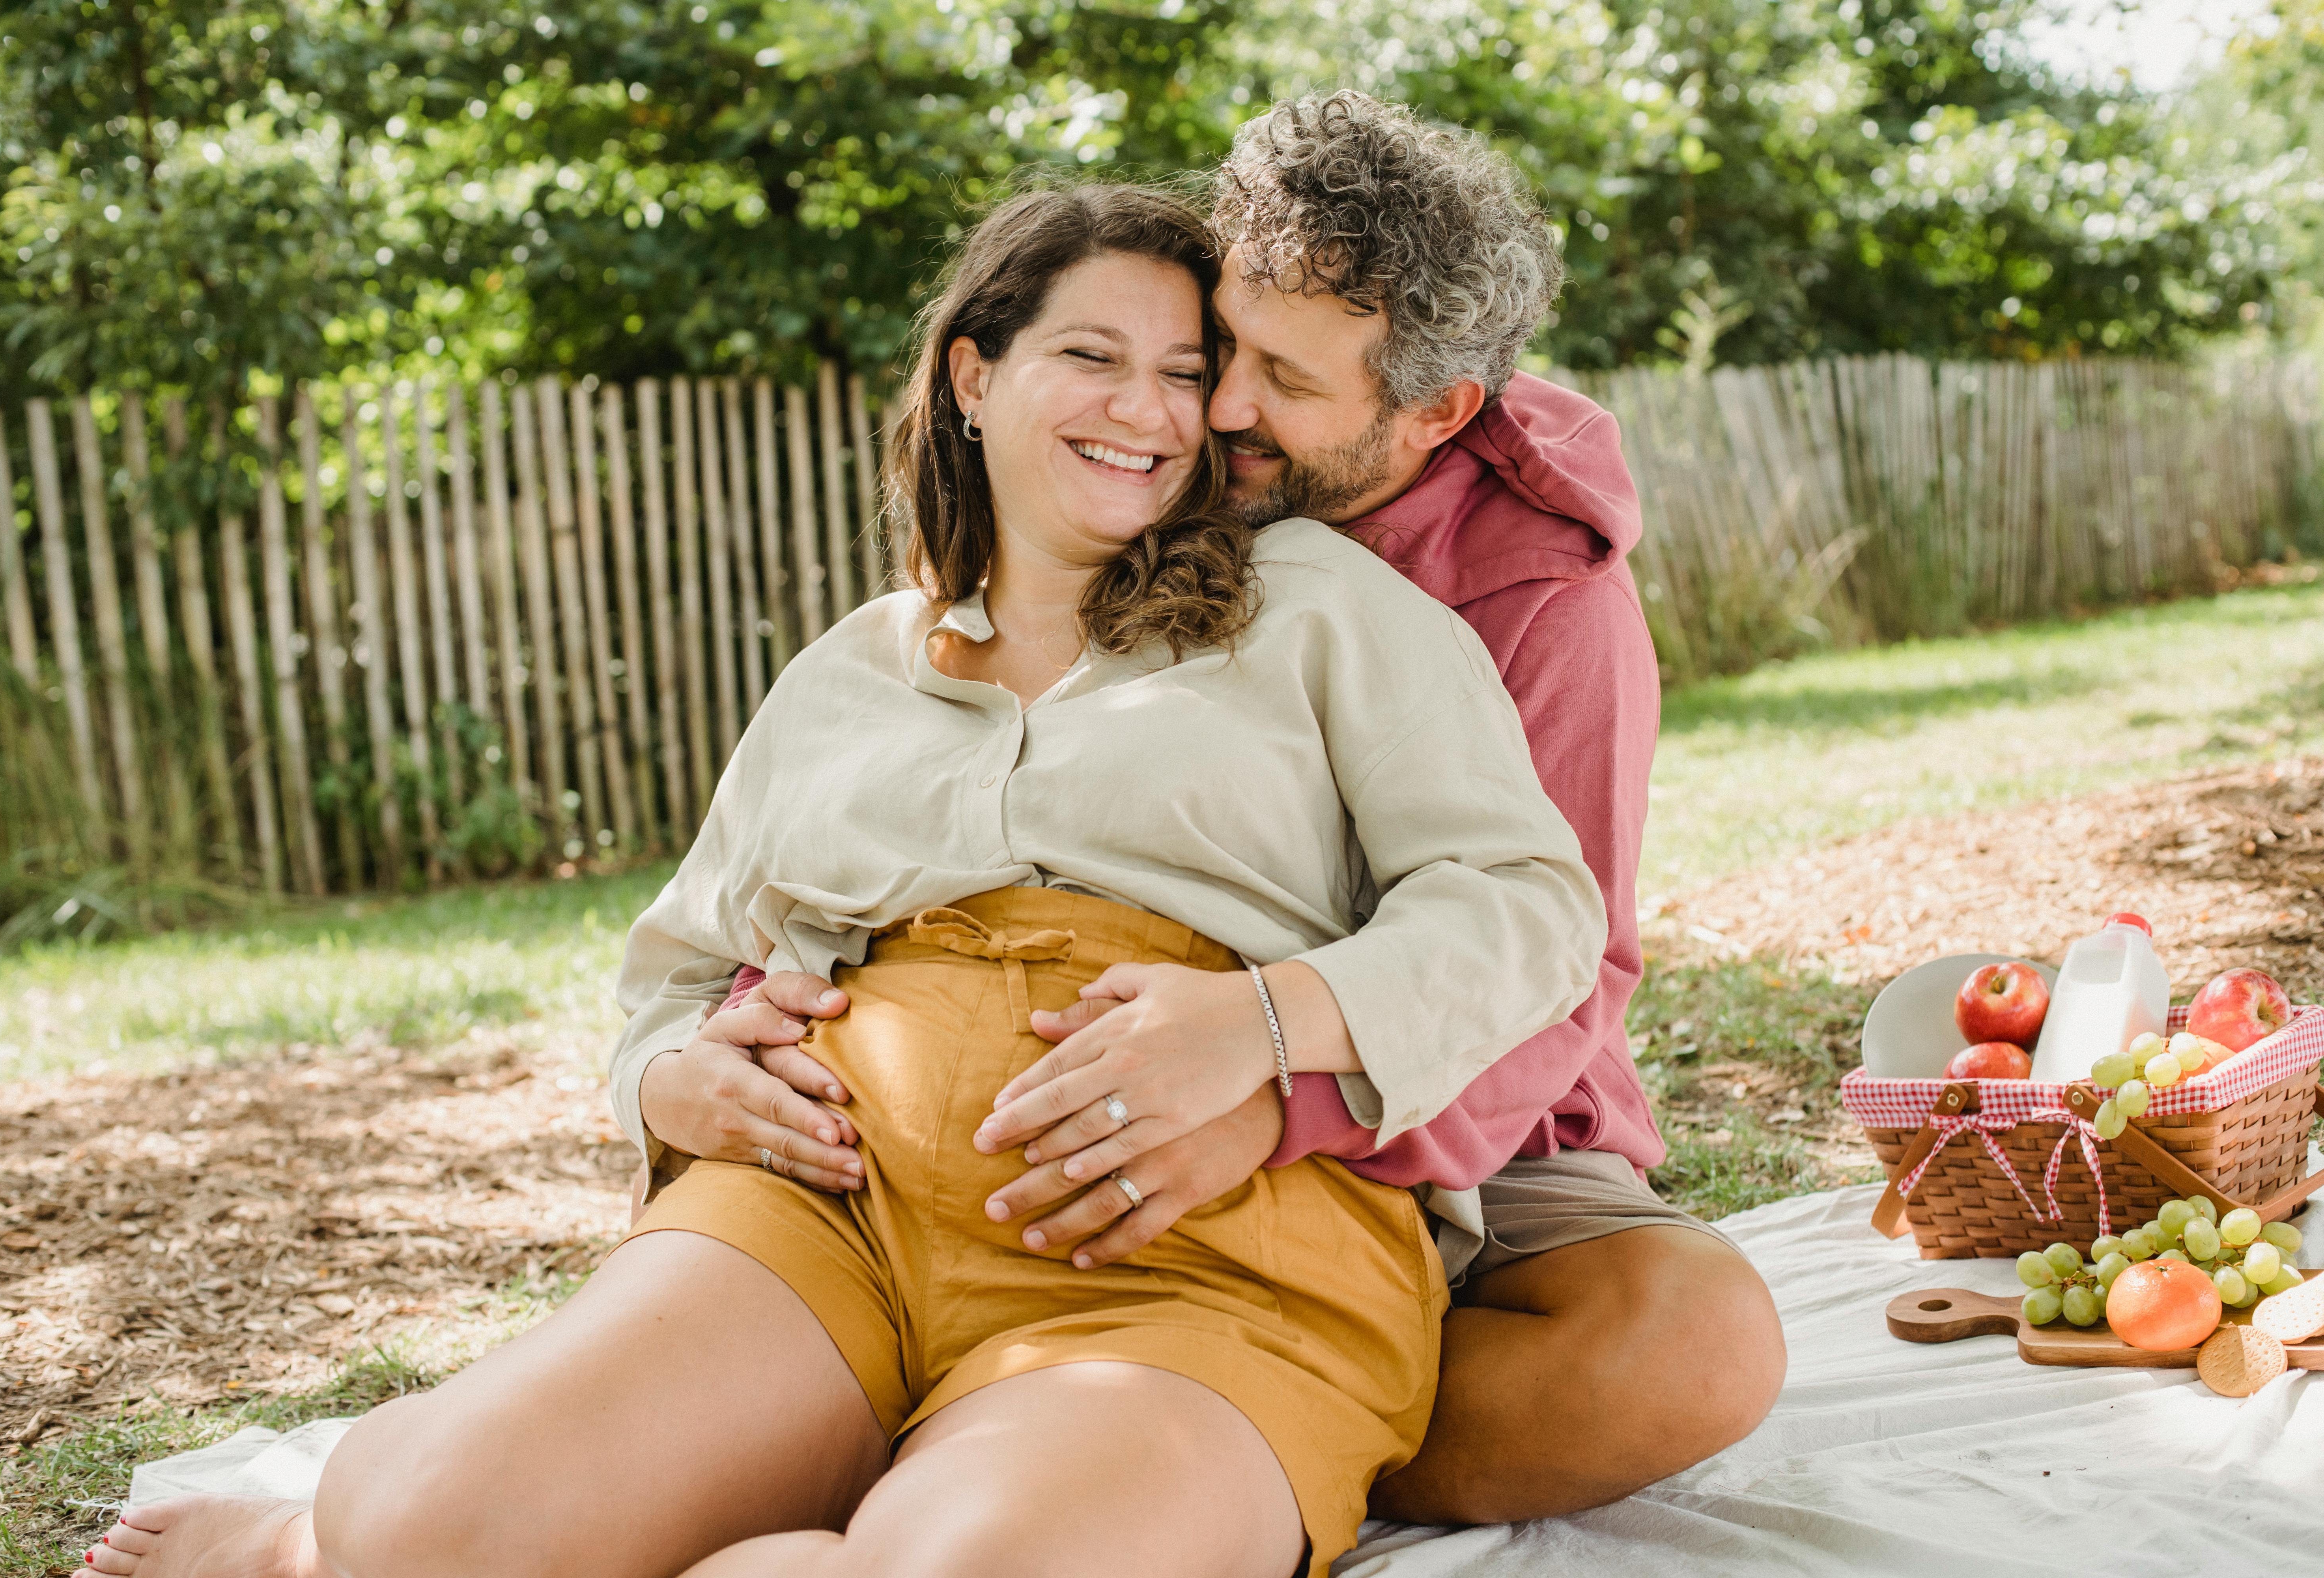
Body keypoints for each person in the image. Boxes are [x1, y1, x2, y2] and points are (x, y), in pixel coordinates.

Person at [77, 183, 1606, 1578]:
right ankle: (304, 1546)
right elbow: (673, 971)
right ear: (972, 373)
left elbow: (1532, 904)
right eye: (1093, 355)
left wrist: (1265, 1023)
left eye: (1189, 371)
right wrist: (672, 1083)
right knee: (432, 1526)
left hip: (1192, 1264)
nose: (1149, 407)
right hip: (826, 1221)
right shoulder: (849, 670)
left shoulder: (1322, 607)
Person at [661, 90, 1786, 1528]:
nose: (1219, 410)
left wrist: (1281, 1103)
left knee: (1684, 1340)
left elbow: (1554, 968)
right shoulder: (1139, 495)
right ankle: (952, 1415)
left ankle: (1222, 1441)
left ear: (1432, 411)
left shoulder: (1537, 598)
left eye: (1286, 381)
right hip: (1055, 1115)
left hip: (1459, 1119)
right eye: (1223, 347)